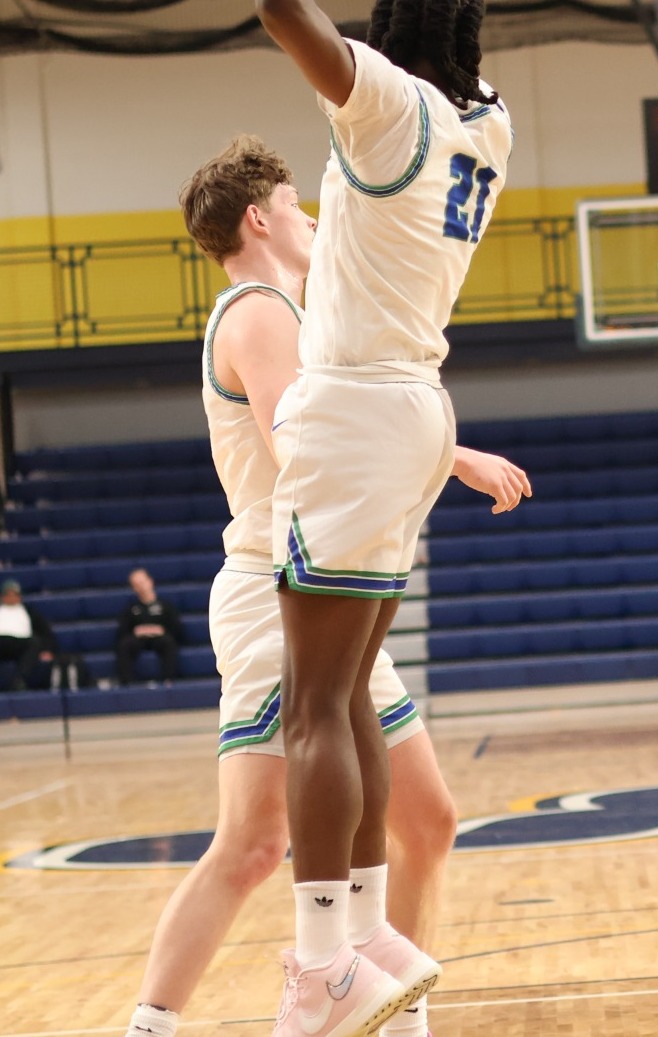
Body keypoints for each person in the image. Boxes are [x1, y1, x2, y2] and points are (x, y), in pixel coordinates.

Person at [117, 135, 530, 1037]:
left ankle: (391, 1011)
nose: (311, 217)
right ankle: (151, 1025)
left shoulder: (292, 313)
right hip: (278, 588)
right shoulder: (261, 309)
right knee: (255, 843)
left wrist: (435, 453)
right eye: (298, 204)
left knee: (427, 818)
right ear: (258, 217)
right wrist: (445, 453)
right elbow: (294, 442)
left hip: (325, 587)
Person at [251, 0, 513, 1031]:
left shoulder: (381, 102)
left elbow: (286, 15)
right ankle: (362, 933)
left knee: (311, 703)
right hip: (416, 411)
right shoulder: (489, 120)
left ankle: (321, 960)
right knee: (349, 687)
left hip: (355, 405)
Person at [116, 568, 184, 685]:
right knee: (124, 645)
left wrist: (161, 630)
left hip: (160, 639)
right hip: (138, 640)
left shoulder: (165, 606)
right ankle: (127, 683)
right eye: (136, 584)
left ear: (150, 581)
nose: (141, 587)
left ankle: (169, 681)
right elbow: (122, 632)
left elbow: (177, 629)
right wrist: (137, 631)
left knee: (169, 642)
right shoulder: (132, 609)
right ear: (134, 588)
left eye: (142, 582)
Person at [0, 580, 57, 691]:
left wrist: (48, 650)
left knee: (34, 643)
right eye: (8, 595)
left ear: (19, 597)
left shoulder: (29, 612)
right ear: (3, 597)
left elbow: (45, 632)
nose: (11, 597)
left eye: (14, 595)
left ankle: (19, 681)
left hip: (20, 643)